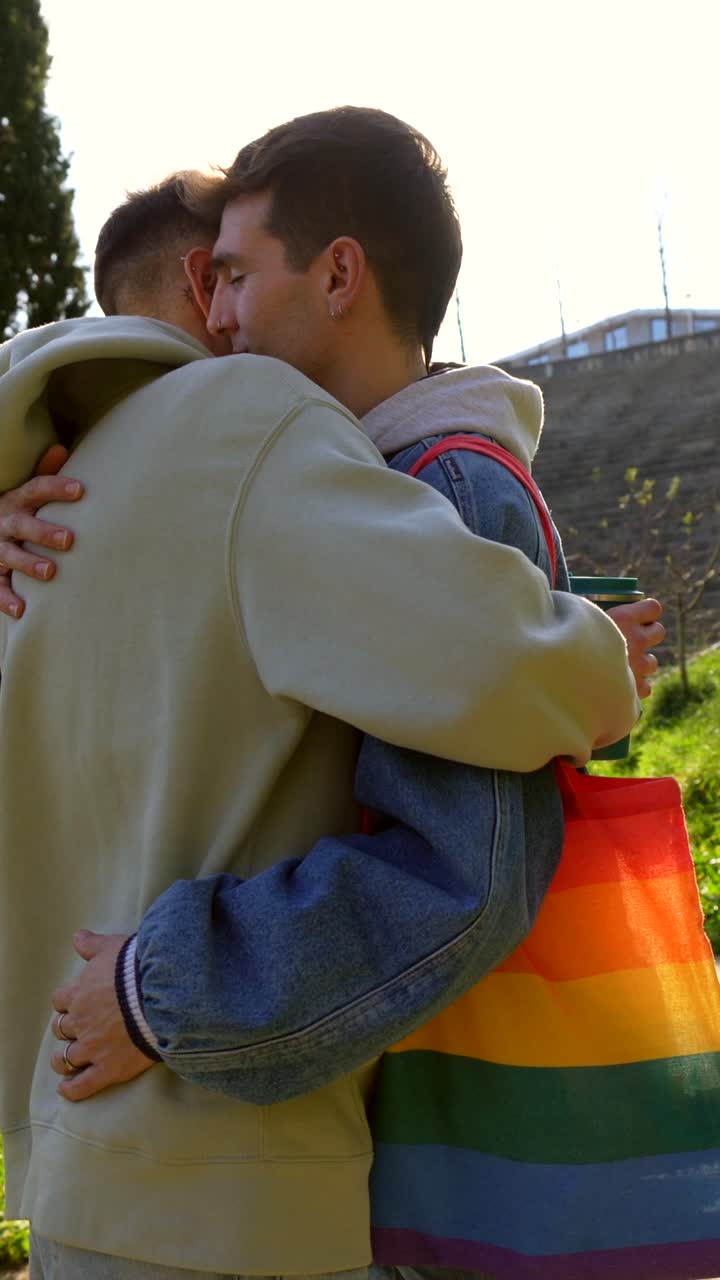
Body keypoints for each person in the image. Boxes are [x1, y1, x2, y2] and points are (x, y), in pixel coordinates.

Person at [0, 109, 656, 1280]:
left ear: (339, 274)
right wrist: (593, 652)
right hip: (251, 1192)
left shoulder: (44, 506)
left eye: (241, 274)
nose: (226, 310)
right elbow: (484, 805)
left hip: (78, 1171)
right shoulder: (251, 437)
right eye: (219, 277)